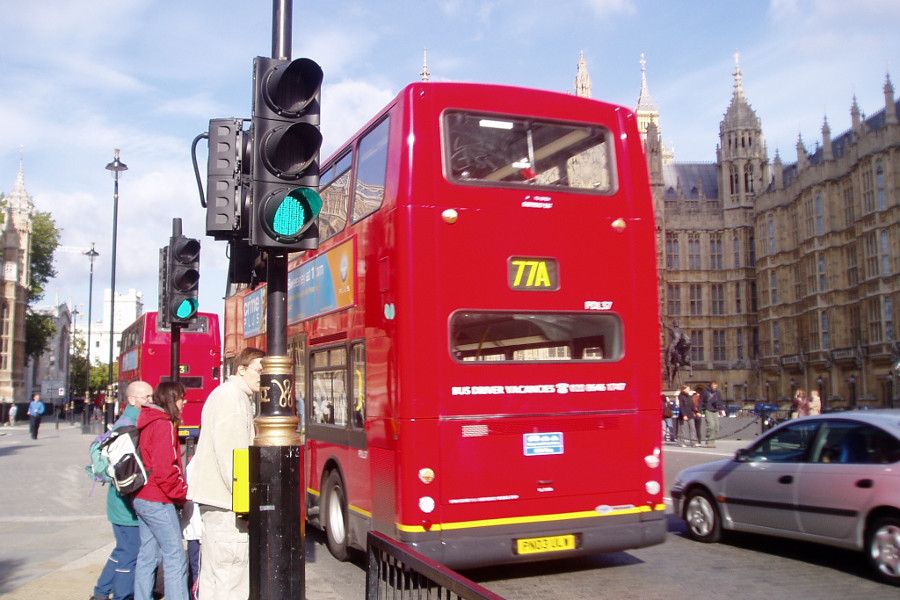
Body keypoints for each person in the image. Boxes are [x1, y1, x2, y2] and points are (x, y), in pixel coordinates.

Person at [188, 347, 265, 600]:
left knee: (215, 577)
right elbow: (234, 458)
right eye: (258, 369)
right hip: (227, 506)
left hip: (218, 503)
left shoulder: (228, 395)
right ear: (241, 369)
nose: (262, 376)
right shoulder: (233, 399)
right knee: (230, 580)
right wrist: (247, 505)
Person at [91, 380, 153, 600]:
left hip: (120, 502)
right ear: (132, 399)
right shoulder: (129, 425)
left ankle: (101, 591)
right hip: (125, 503)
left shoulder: (127, 421)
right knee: (130, 551)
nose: (151, 401)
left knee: (123, 549)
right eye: (146, 397)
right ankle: (123, 595)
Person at [133, 381, 189, 600]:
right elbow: (165, 470)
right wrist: (181, 493)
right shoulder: (163, 424)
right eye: (181, 398)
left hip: (141, 496)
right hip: (158, 498)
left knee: (147, 556)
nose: (183, 402)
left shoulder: (147, 420)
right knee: (175, 556)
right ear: (172, 399)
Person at [702, 381, 726, 448]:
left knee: (716, 427)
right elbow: (701, 401)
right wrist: (700, 410)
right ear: (711, 385)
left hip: (715, 411)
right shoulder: (705, 391)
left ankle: (712, 441)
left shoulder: (718, 392)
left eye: (716, 386)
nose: (715, 387)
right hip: (708, 410)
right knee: (711, 426)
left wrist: (722, 409)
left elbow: (720, 401)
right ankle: (709, 442)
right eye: (714, 386)